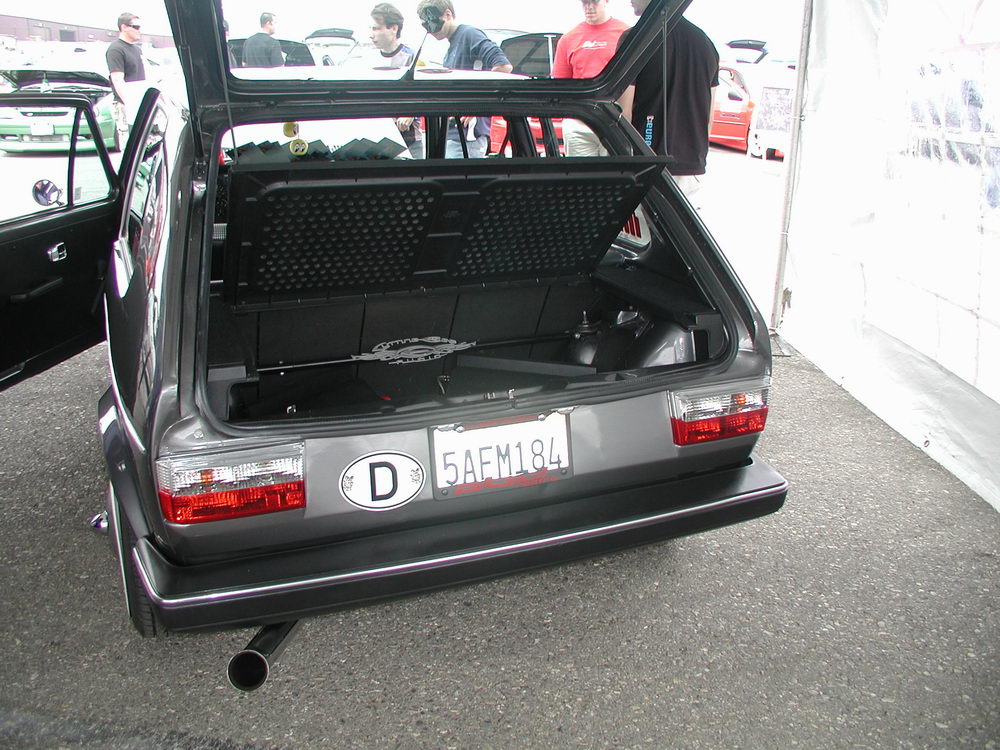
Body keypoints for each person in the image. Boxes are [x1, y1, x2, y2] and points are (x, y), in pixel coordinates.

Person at [617, 0, 719, 200]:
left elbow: (623, 113)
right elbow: (708, 117)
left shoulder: (635, 39)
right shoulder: (705, 43)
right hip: (692, 167)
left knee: (643, 221)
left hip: (647, 165)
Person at [415, 0, 512, 158]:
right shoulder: (451, 48)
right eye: (425, 25)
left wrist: (477, 104)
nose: (430, 30)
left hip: (467, 137)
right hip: (454, 134)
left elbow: (503, 66)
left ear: (447, 14)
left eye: (432, 22)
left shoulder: (469, 34)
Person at [551, 0, 629, 156]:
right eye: (585, 2)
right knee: (579, 172)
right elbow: (560, 84)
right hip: (579, 122)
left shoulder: (625, 34)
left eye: (594, 1)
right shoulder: (569, 38)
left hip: (613, 120)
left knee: (615, 170)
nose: (589, 7)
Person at [370, 3, 423, 157]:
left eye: (376, 28)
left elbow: (423, 93)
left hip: (409, 139)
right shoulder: (367, 60)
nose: (371, 34)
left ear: (393, 28)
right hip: (377, 140)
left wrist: (410, 113)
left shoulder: (413, 58)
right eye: (371, 28)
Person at [106, 12, 145, 146]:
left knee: (142, 143)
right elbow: (117, 79)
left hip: (140, 103)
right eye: (136, 27)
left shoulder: (137, 50)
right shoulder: (116, 50)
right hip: (125, 105)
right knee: (129, 143)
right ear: (123, 27)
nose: (139, 30)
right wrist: (130, 103)